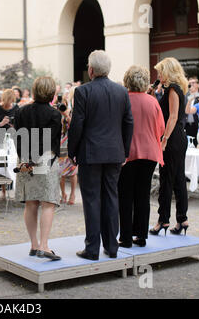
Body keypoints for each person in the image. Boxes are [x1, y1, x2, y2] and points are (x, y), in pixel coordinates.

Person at [68, 50, 134, 261]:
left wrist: (72, 151)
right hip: (114, 152)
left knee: (92, 200)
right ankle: (112, 246)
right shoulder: (121, 92)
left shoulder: (83, 92)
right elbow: (128, 123)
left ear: (91, 69)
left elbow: (77, 124)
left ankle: (92, 248)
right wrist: (124, 150)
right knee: (111, 198)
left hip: (91, 152)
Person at [14, 76, 63, 261]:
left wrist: (26, 159)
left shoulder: (20, 111)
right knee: (48, 203)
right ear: (51, 92)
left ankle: (34, 245)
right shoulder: (54, 114)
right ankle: (44, 246)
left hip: (25, 160)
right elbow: (49, 140)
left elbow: (17, 137)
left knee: (31, 202)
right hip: (45, 160)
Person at [118, 65, 165, 248]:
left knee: (125, 195)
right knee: (143, 194)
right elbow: (160, 128)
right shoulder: (152, 101)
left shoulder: (123, 100)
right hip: (150, 152)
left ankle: (126, 237)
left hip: (127, 153)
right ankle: (142, 236)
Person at [149, 57, 189, 237]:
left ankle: (162, 220)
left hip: (172, 138)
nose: (158, 75)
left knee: (166, 179)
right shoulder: (175, 89)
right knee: (179, 178)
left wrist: (164, 139)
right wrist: (152, 95)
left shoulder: (173, 89)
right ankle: (182, 219)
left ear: (168, 72)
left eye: (160, 72)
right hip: (178, 136)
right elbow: (161, 112)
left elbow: (172, 117)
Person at [59, 88, 78, 205]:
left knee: (72, 171)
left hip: (71, 143)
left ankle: (72, 194)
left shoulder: (73, 112)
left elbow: (74, 126)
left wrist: (66, 115)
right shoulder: (57, 113)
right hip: (60, 143)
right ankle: (63, 193)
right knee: (60, 171)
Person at [184, 77, 199, 147]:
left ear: (198, 85)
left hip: (197, 125)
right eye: (189, 83)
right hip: (186, 124)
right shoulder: (185, 96)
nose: (191, 85)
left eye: (193, 83)